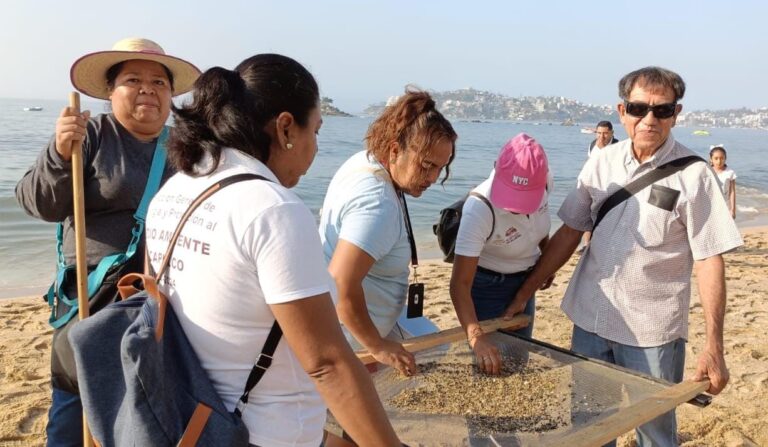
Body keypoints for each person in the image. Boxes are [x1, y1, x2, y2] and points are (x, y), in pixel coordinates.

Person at [144, 54, 400, 447]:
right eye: (316, 130)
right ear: (285, 128)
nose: (315, 147)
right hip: (263, 432)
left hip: (193, 417)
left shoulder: (176, 188)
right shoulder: (272, 208)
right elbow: (327, 364)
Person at [504, 66, 743, 446]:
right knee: (588, 425)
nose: (649, 119)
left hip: (652, 333)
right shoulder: (602, 161)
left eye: (662, 110)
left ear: (676, 114)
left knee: (655, 433)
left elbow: (709, 259)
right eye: (638, 108)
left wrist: (714, 344)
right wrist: (525, 292)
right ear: (622, 111)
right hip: (589, 319)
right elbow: (569, 231)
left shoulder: (695, 176)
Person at [15, 37, 200, 446]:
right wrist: (59, 153)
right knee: (74, 406)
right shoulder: (90, 134)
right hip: (93, 296)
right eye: (133, 80)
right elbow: (38, 203)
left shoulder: (185, 146)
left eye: (159, 82)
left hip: (160, 300)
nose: (147, 89)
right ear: (110, 92)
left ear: (171, 95)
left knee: (144, 407)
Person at [319, 89, 457, 377]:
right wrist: (378, 346)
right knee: (434, 360)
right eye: (427, 165)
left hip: (361, 317)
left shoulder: (364, 160)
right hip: (353, 335)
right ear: (395, 150)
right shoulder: (377, 203)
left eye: (441, 168)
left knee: (438, 346)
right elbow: (342, 282)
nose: (433, 178)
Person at [449, 133, 554, 374]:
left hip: (526, 281)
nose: (518, 209)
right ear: (496, 169)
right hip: (486, 286)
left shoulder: (546, 181)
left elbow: (537, 225)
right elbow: (459, 284)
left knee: (518, 359)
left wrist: (546, 259)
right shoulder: (479, 208)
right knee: (488, 366)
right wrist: (476, 337)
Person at [580, 120, 620, 252]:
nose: (601, 137)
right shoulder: (593, 145)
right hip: (593, 185)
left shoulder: (618, 147)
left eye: (605, 133)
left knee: (606, 217)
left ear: (612, 133)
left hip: (611, 188)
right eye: (599, 133)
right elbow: (589, 164)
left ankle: (604, 245)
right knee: (587, 215)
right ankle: (586, 245)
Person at [709, 145, 737, 218]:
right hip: (710, 206)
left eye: (722, 158)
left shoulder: (730, 172)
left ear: (725, 158)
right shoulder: (708, 172)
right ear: (711, 159)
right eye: (716, 158)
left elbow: (732, 192)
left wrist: (733, 210)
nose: (719, 161)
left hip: (725, 206)